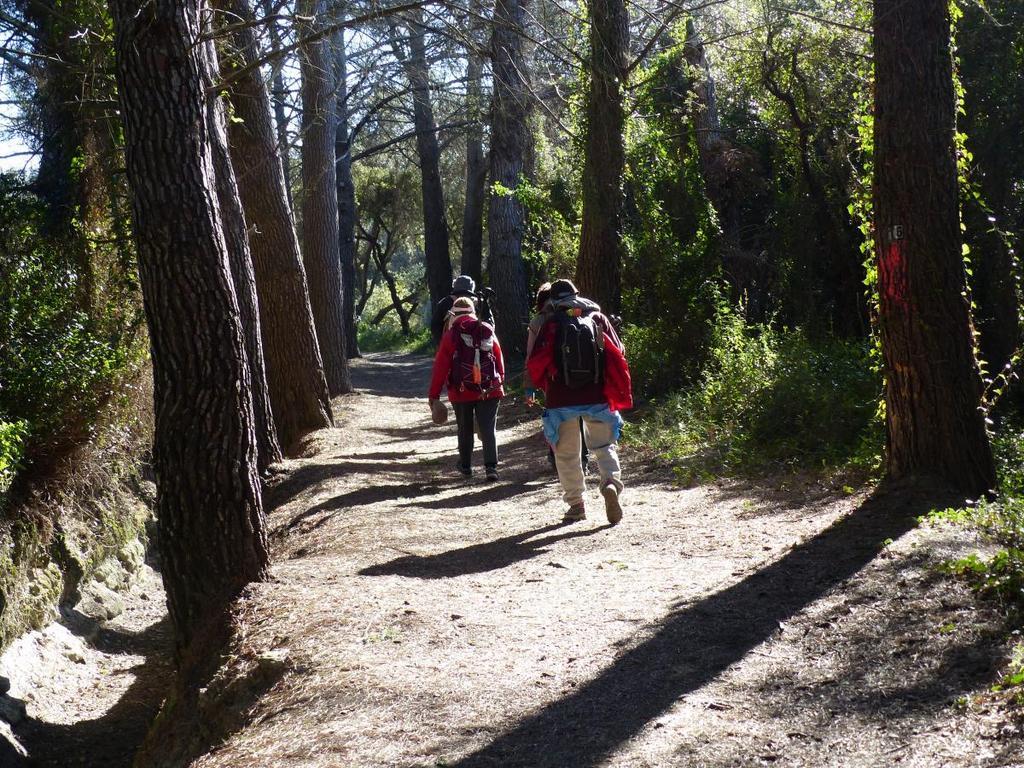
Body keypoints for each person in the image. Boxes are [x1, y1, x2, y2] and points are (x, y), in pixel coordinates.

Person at [526, 279, 632, 524]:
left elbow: (534, 361)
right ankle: (610, 484)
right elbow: (619, 351)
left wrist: (531, 387)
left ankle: (576, 504)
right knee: (604, 446)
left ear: (553, 299)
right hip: (597, 396)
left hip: (560, 399)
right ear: (576, 294)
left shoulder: (547, 322)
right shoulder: (597, 317)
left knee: (567, 455)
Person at [428, 297, 505, 481]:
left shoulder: (451, 334)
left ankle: (466, 466)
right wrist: (500, 382)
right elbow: (498, 357)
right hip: (489, 389)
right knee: (488, 428)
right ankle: (491, 467)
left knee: (464, 427)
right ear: (472, 312)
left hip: (460, 390)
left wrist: (434, 395)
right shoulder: (486, 329)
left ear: (453, 315)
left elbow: (441, 367)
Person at [524, 282, 589, 474]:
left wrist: (530, 386)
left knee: (558, 419)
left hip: (552, 379)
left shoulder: (539, 321)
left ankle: (557, 457)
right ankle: (583, 460)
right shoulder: (582, 313)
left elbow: (531, 357)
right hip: (583, 373)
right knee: (580, 418)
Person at [430, 274, 495, 345]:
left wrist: (442, 343)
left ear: (454, 286)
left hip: (451, 345)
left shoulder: (445, 302)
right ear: (472, 287)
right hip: (478, 346)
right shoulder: (480, 302)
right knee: (495, 347)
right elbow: (490, 324)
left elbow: (435, 326)